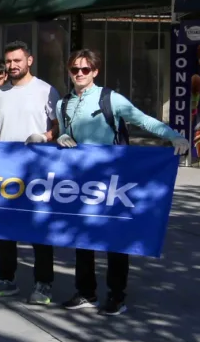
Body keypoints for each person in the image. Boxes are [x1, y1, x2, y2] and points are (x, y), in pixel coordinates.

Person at [55, 49, 188, 315]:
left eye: (85, 69)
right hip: (81, 181)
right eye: (74, 69)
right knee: (83, 238)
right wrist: (61, 137)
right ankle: (86, 292)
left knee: (115, 237)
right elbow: (63, 131)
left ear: (95, 71)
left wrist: (174, 136)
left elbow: (143, 120)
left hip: (113, 179)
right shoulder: (63, 103)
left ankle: (117, 296)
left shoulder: (110, 98)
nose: (79, 74)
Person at [0, 41, 60, 303]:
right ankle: (6, 279)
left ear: (30, 60)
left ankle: (43, 284)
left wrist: (45, 136)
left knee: (39, 230)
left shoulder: (46, 91)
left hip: (37, 171)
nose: (12, 65)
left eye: (17, 60)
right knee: (6, 230)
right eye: (9, 61)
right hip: (5, 171)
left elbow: (58, 127)